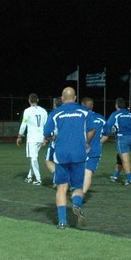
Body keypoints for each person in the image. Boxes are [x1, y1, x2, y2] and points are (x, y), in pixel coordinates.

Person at [42, 87, 97, 229]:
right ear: (75, 97)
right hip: (79, 153)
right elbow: (92, 129)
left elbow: (47, 133)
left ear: (62, 98)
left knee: (61, 187)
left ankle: (62, 222)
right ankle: (76, 205)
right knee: (77, 187)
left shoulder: (55, 113)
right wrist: (87, 143)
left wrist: (53, 137)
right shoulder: (84, 112)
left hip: (61, 154)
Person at [105, 97, 131, 185]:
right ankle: (115, 176)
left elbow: (107, 126)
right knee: (120, 157)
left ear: (116, 105)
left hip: (122, 138)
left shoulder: (115, 114)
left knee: (125, 159)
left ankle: (130, 180)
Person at [17, 93, 48, 185]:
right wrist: (45, 138)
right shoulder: (43, 111)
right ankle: (29, 177)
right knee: (33, 157)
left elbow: (24, 123)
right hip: (41, 137)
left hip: (32, 138)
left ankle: (38, 179)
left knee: (33, 158)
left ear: (29, 101)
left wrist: (20, 136)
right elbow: (46, 125)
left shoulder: (27, 111)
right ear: (37, 100)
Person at [80, 96, 108, 198]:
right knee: (88, 173)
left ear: (82, 106)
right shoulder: (101, 118)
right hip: (94, 150)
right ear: (92, 106)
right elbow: (106, 135)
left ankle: (75, 189)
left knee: (77, 171)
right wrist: (98, 143)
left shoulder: (79, 117)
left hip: (79, 149)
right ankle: (81, 195)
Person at [44, 97, 62, 176]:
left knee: (48, 160)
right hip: (73, 143)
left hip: (57, 142)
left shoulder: (54, 113)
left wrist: (48, 138)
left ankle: (58, 177)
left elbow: (47, 132)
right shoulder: (72, 112)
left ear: (55, 105)